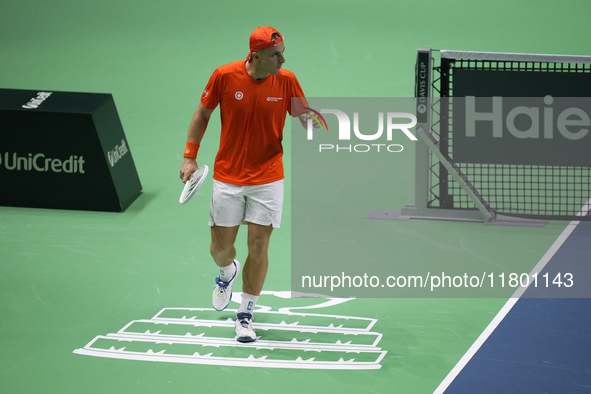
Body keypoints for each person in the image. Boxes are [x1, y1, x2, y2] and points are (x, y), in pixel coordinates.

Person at [179, 26, 319, 342]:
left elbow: (304, 116)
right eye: (275, 55)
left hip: (268, 177)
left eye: (282, 51)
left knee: (259, 245)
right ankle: (227, 272)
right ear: (256, 55)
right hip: (228, 177)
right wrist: (190, 157)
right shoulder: (224, 76)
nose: (282, 59)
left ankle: (245, 314)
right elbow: (203, 112)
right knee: (221, 249)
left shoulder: (286, 80)